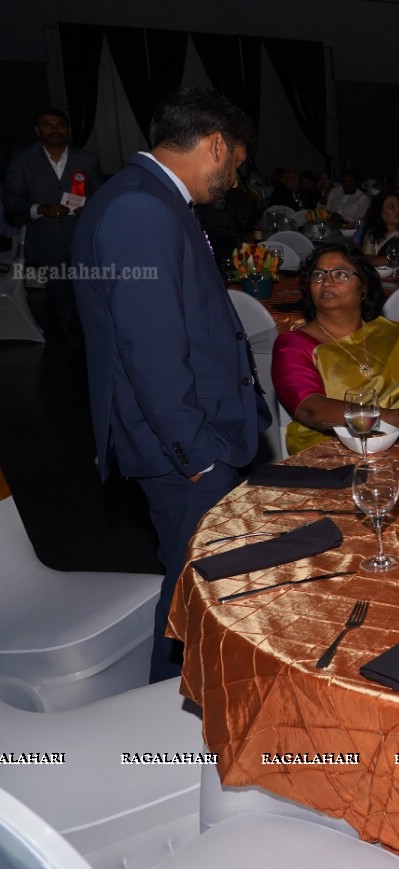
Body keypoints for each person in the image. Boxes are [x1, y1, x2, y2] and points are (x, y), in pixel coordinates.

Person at [71, 87, 264, 681]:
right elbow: (149, 350)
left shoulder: (145, 197)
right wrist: (197, 456)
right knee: (193, 602)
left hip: (186, 436)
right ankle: (161, 725)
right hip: (181, 447)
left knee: (199, 587)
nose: (233, 179)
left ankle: (180, 714)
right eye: (235, 163)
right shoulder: (140, 208)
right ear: (214, 145)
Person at [271, 245, 399, 455]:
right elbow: (310, 408)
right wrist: (392, 417)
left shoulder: (390, 333)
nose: (326, 282)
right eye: (318, 275)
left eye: (340, 274)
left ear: (364, 287)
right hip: (333, 451)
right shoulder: (293, 345)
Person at [3, 106, 104, 351]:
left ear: (68, 130)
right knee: (62, 298)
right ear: (38, 130)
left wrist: (89, 207)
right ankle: (76, 349)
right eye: (47, 125)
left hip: (83, 237)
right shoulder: (23, 158)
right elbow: (11, 202)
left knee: (90, 294)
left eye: (59, 125)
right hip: (48, 240)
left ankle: (93, 342)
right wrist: (40, 209)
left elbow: (102, 198)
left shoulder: (87, 159)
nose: (54, 129)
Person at [358, 190, 399, 260]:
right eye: (391, 207)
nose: (398, 210)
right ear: (379, 211)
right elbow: (367, 260)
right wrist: (397, 258)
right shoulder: (372, 234)